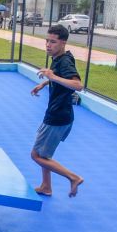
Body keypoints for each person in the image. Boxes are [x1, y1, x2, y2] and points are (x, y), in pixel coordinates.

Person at [30, 24, 84, 197]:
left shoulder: (65, 61)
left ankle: (73, 177)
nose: (48, 45)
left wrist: (51, 76)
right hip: (60, 114)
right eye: (47, 41)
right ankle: (46, 186)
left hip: (57, 116)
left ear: (63, 43)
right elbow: (61, 77)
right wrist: (45, 83)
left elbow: (78, 85)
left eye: (52, 42)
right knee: (43, 154)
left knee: (37, 156)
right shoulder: (61, 58)